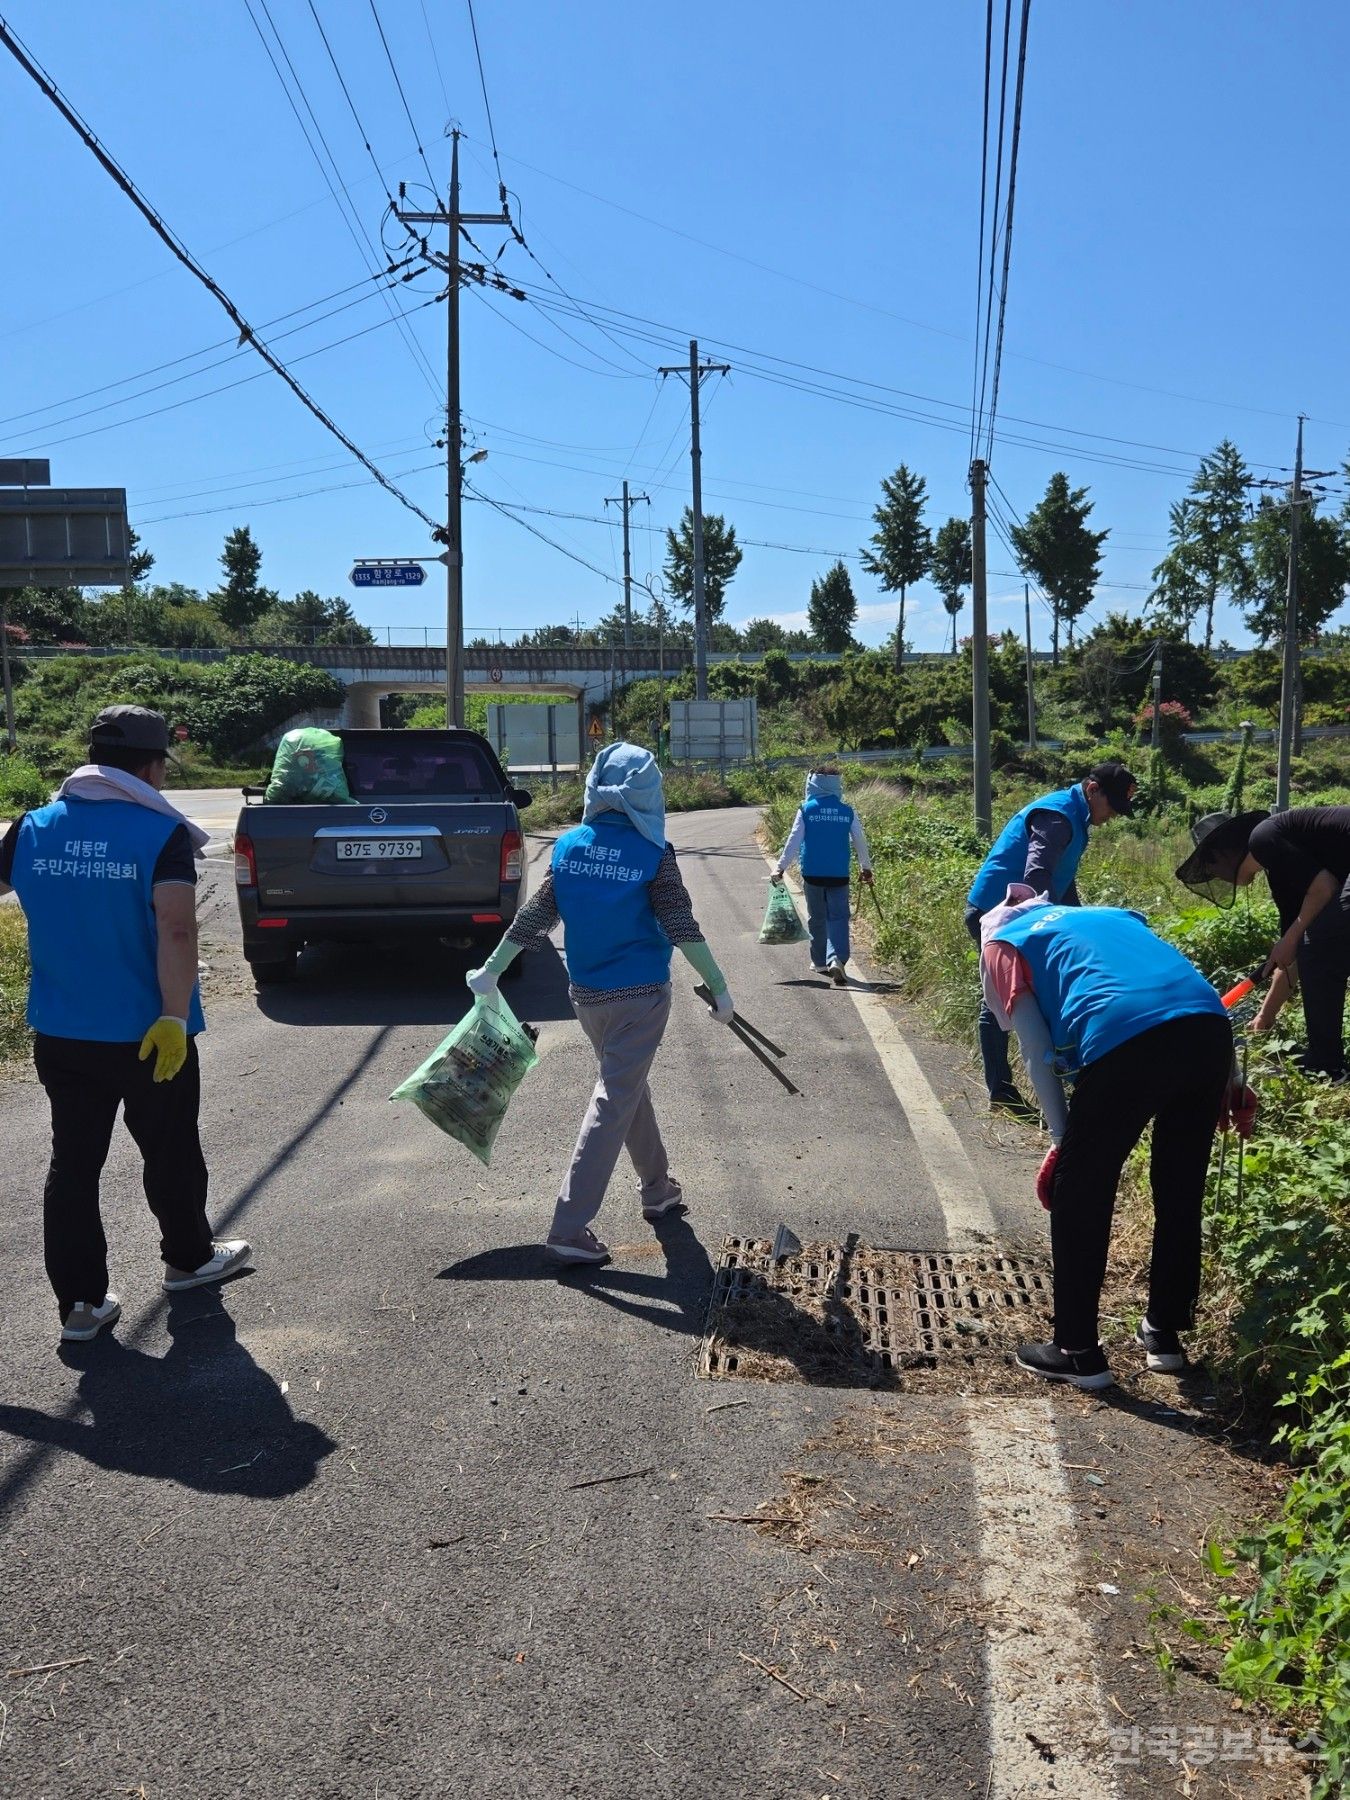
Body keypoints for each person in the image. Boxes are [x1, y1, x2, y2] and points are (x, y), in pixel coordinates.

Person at [0, 706, 251, 1343]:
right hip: (148, 1033)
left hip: (62, 1032)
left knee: (74, 1164)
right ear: (151, 765)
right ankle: (188, 1260)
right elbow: (175, 927)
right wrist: (171, 1015)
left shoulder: (31, 827)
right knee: (169, 1148)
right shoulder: (158, 832)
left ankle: (81, 1306)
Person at [464, 742, 734, 1266]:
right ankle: (569, 1226)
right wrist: (719, 988)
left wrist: (490, 970)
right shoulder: (654, 853)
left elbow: (534, 918)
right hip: (640, 996)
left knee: (626, 1086)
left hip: (585, 997)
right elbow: (680, 925)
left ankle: (658, 1188)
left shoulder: (569, 848)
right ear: (649, 793)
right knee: (614, 1096)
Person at [979, 889, 1251, 1391]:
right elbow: (1184, 987)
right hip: (1209, 1034)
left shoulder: (1004, 944)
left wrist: (1062, 1142)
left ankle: (1077, 1351)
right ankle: (1164, 1335)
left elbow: (1038, 1054)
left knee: (1080, 1188)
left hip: (1128, 1038)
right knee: (1180, 1185)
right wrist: (1230, 1076)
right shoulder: (1110, 915)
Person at [965, 762, 1138, 1118]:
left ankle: (1020, 1090)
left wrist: (1079, 921)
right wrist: (1049, 926)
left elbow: (1061, 878)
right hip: (999, 916)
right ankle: (1008, 1091)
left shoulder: (1075, 814)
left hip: (1017, 915)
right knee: (1004, 1001)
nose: (1113, 816)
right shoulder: (1058, 816)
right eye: (1112, 805)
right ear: (1092, 789)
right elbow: (1038, 873)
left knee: (1009, 1000)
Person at [1177, 806, 1350, 1080]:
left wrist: (1292, 940)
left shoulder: (1263, 837)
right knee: (1318, 942)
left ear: (1224, 852)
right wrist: (1263, 1019)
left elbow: (1325, 888)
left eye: (1210, 867)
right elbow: (1292, 957)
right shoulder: (1280, 869)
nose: (1215, 877)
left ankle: (1327, 1066)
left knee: (1321, 946)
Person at [769, 769, 874, 984]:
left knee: (816, 917)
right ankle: (837, 958)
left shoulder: (806, 810)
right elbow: (859, 841)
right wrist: (866, 867)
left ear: (813, 785)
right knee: (838, 917)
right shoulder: (847, 811)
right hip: (839, 874)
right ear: (837, 786)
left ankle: (819, 962)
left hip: (813, 874)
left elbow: (793, 841)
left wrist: (780, 868)